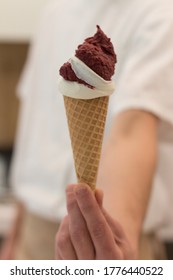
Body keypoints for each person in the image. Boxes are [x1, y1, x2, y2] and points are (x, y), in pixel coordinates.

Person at [2, 0, 173, 259]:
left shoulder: (160, 13)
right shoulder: (53, 10)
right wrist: (13, 241)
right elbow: (31, 130)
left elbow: (131, 132)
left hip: (110, 236)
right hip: (32, 235)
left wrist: (107, 246)